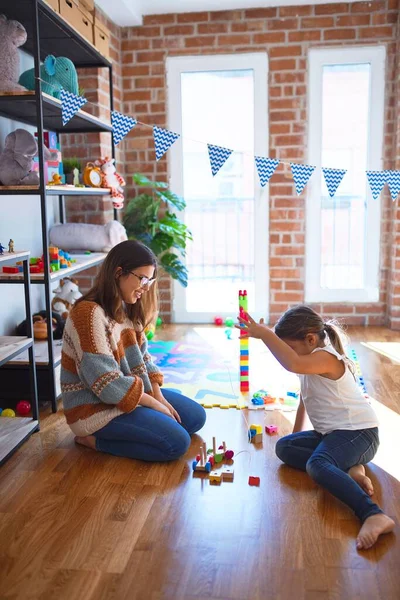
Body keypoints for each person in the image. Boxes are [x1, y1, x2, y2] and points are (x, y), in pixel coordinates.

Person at [237, 305, 395, 551]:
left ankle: (372, 513)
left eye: (290, 347)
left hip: (360, 434)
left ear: (310, 339)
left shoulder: (327, 358)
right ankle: (350, 468)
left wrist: (265, 334)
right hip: (333, 435)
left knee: (317, 464)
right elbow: (306, 398)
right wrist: (295, 433)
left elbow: (292, 364)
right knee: (285, 448)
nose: (289, 354)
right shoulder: (310, 361)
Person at [61, 240, 206, 462]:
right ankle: (94, 441)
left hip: (127, 395)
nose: (146, 287)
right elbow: (108, 384)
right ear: (119, 273)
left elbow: (144, 360)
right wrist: (156, 405)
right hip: (94, 408)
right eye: (143, 279)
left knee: (196, 417)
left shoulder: (126, 309)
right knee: (177, 443)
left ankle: (146, 419)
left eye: (151, 280)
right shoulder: (87, 314)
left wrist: (159, 398)